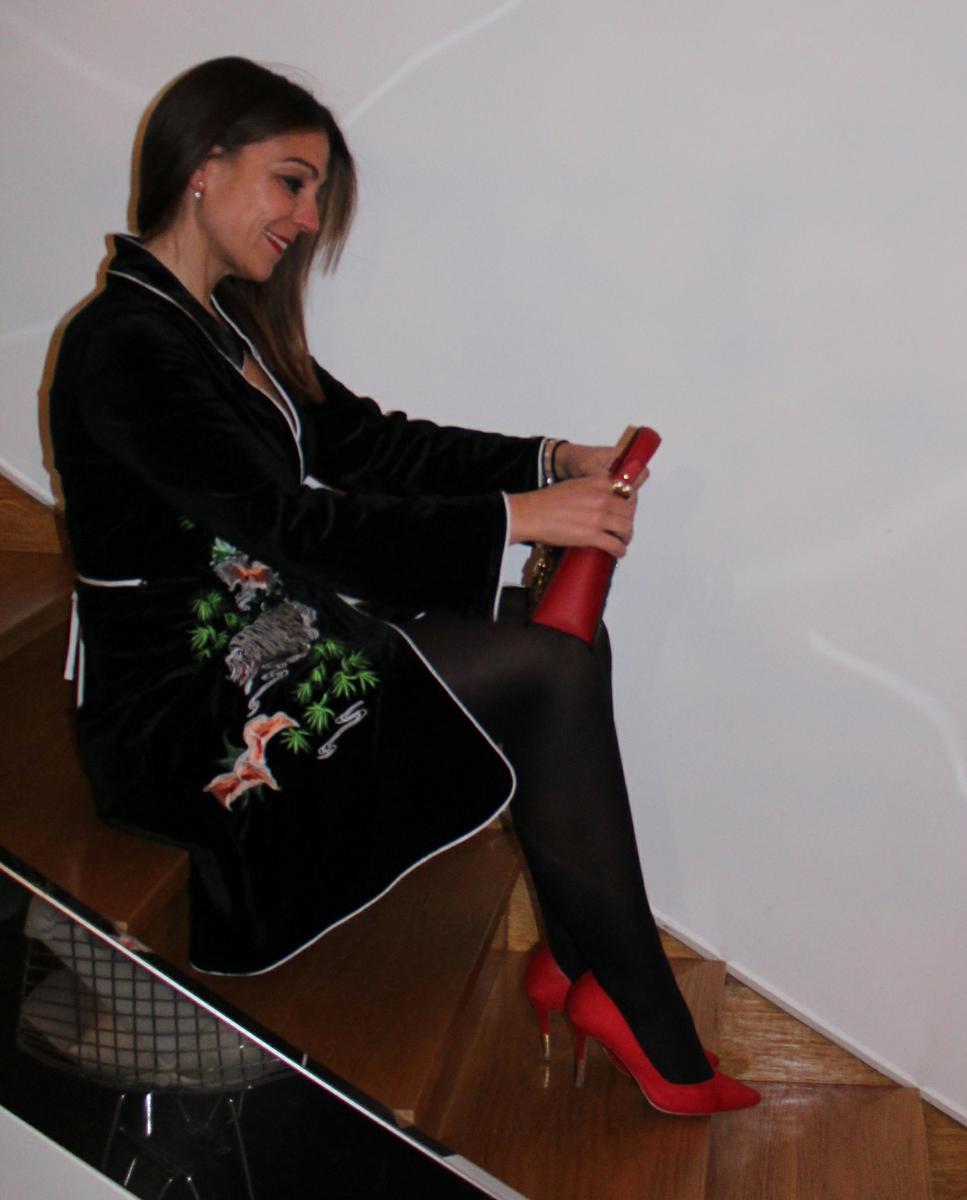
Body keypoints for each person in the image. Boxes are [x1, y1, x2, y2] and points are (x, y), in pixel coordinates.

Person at [49, 56, 758, 1116]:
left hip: (265, 645)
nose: (307, 218)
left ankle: (586, 961)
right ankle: (631, 1002)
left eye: (315, 194)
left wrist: (548, 461)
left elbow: (371, 446)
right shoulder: (121, 344)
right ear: (203, 163)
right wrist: (519, 518)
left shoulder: (222, 325)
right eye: (292, 182)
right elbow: (291, 525)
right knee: (545, 662)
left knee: (553, 642)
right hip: (182, 711)